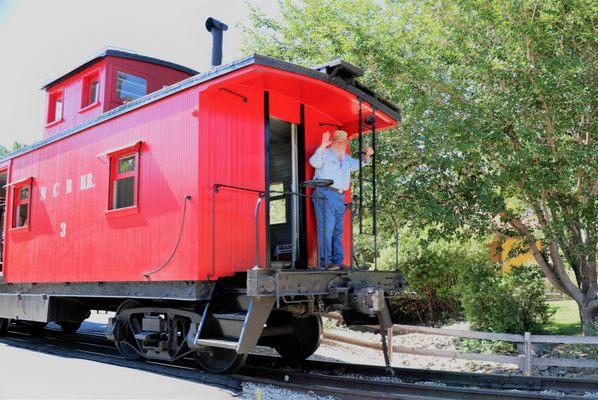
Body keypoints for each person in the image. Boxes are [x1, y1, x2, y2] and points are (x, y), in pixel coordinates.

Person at [309, 130, 373, 270]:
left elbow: (357, 165)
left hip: (340, 196)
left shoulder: (346, 157)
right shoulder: (325, 153)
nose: (340, 143)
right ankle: (325, 262)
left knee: (338, 230)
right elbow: (313, 162)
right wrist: (322, 146)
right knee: (326, 229)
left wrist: (367, 156)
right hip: (325, 192)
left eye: (343, 141)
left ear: (345, 143)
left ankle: (338, 262)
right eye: (338, 141)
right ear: (333, 141)